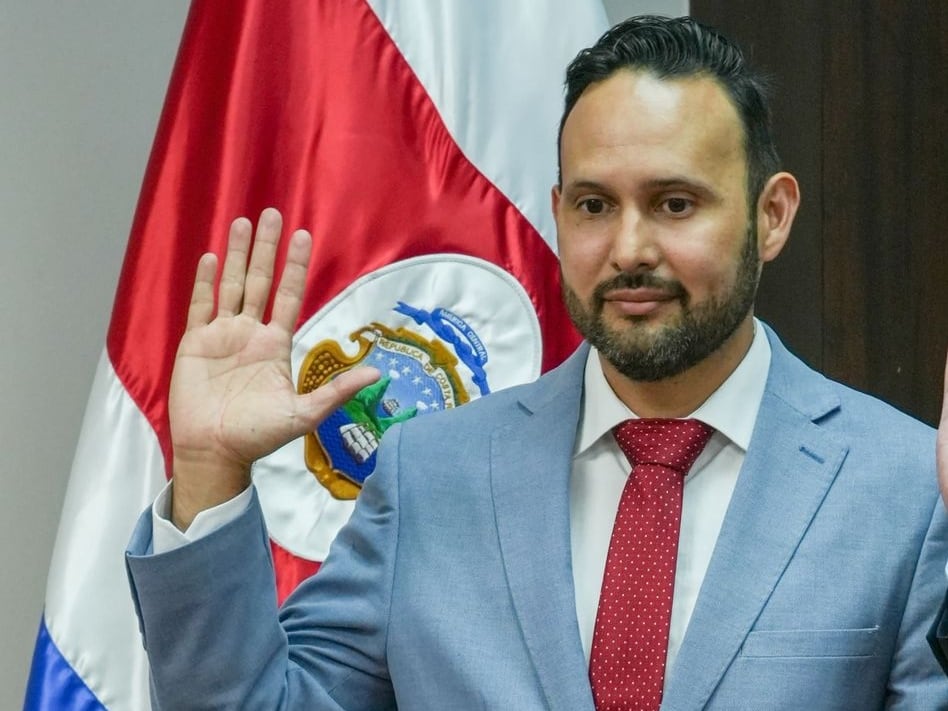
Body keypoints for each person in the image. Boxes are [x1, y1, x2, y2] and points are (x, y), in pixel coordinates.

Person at [125, 16, 948, 709]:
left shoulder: (908, 490)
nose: (629, 248)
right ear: (558, 214)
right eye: (594, 205)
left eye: (675, 203)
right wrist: (210, 471)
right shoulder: (427, 477)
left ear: (772, 216)